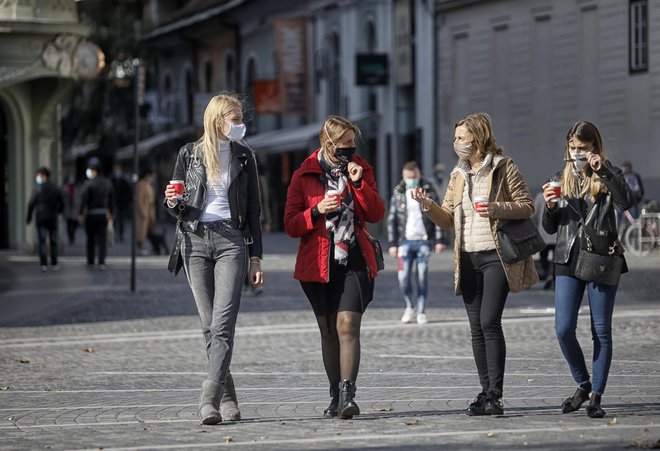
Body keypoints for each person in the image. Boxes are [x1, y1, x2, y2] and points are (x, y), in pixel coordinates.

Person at [410, 113, 538, 417]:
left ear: (477, 140)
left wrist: (495, 207)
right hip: (467, 257)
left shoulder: (503, 167)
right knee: (475, 329)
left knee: (489, 322)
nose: (456, 144)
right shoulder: (457, 175)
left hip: (496, 256)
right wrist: (428, 207)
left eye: (461, 138)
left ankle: (497, 395)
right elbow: (446, 219)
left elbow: (527, 205)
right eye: (455, 138)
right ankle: (485, 392)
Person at [164, 92, 264, 425]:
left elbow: (254, 211)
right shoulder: (189, 154)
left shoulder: (245, 156)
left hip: (231, 242)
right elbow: (178, 206)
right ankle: (230, 399)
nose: (241, 125)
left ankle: (208, 400)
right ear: (217, 120)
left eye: (241, 119)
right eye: (235, 119)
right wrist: (171, 202)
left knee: (223, 325)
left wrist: (256, 258)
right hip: (194, 241)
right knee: (209, 327)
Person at [284, 115, 384, 420]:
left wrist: (358, 184)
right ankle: (333, 395)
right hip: (318, 263)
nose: (350, 151)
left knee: (347, 327)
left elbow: (376, 213)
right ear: (328, 144)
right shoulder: (304, 175)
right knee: (328, 330)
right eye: (344, 145)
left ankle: (347, 395)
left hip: (354, 258)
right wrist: (315, 211)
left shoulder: (362, 170)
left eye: (353, 145)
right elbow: (289, 224)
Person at [541, 121, 635, 419]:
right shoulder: (560, 178)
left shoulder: (609, 175)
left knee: (601, 331)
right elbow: (548, 228)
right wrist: (550, 207)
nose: (577, 153)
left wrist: (602, 168)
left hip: (601, 258)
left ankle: (596, 395)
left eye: (583, 148)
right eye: (573, 148)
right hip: (568, 257)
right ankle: (582, 383)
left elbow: (627, 200)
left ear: (594, 147)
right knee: (563, 328)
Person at [387, 161, 447, 325]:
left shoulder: (428, 190)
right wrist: (392, 243)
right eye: (408, 177)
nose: (411, 180)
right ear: (403, 176)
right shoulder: (399, 192)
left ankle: (421, 310)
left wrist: (440, 239)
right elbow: (392, 219)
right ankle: (409, 305)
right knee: (403, 277)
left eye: (414, 177)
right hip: (404, 242)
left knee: (422, 276)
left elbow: (437, 214)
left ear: (419, 174)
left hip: (423, 242)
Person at [26, 167, 64, 272]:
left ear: (44, 176)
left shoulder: (38, 188)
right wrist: (59, 212)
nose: (38, 178)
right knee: (53, 240)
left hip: (41, 217)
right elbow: (61, 202)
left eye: (39, 175)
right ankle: (54, 263)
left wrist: (28, 217)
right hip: (52, 217)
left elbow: (31, 204)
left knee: (42, 241)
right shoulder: (55, 187)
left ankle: (43, 264)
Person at [79, 157, 114, 270]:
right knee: (102, 239)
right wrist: (111, 213)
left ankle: (90, 261)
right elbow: (112, 200)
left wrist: (81, 213)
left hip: (91, 214)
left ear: (94, 171)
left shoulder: (89, 183)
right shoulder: (107, 183)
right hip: (103, 214)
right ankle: (101, 262)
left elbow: (84, 199)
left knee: (90, 239)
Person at [532, 190, 556, 290]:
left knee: (543, 257)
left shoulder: (540, 196)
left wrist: (536, 225)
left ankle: (547, 275)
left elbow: (534, 213)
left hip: (543, 232)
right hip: (556, 234)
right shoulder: (558, 195)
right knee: (556, 258)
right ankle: (552, 275)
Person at [136, 168, 157, 255]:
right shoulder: (142, 184)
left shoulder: (148, 184)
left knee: (150, 230)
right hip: (144, 211)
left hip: (149, 210)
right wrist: (142, 210)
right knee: (141, 231)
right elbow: (140, 199)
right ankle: (140, 247)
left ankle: (154, 247)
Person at [111, 164, 133, 242]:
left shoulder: (124, 182)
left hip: (122, 204)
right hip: (114, 204)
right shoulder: (112, 181)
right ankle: (114, 235)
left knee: (121, 220)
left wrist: (128, 201)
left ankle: (120, 235)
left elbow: (129, 192)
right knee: (114, 220)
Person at [62, 172, 81, 245]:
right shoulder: (65, 186)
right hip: (68, 207)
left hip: (75, 206)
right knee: (69, 223)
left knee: (75, 222)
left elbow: (81, 195)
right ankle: (70, 237)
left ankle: (73, 235)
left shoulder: (78, 186)